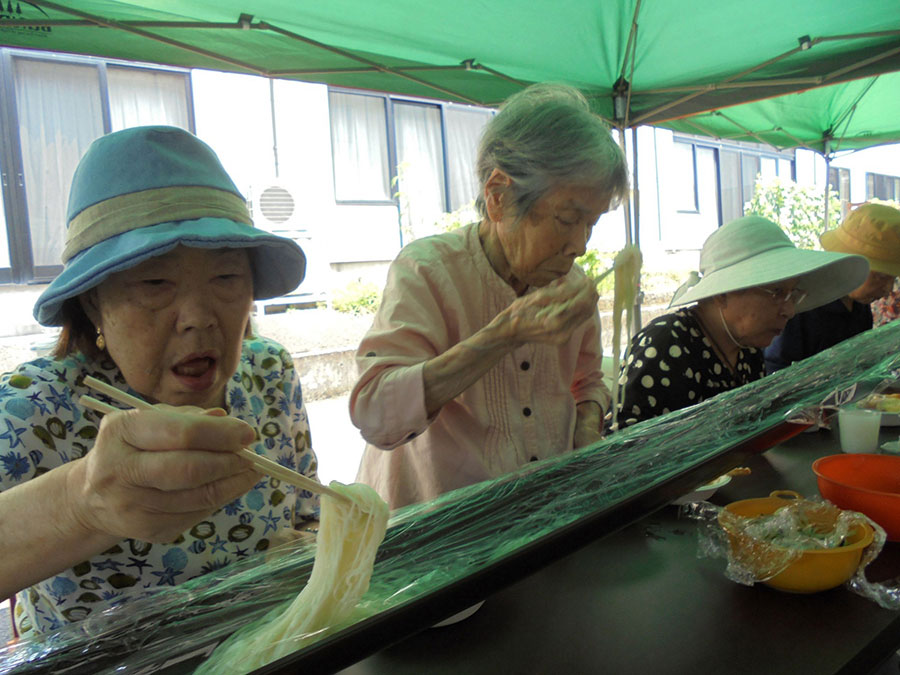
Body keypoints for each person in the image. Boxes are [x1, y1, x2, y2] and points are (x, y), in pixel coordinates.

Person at [0, 126, 321, 637]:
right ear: (92, 303)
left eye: (226, 278)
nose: (198, 317)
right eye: (154, 282)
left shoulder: (268, 377)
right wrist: (81, 501)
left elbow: (309, 517)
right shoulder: (35, 412)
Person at [349, 83, 629, 509]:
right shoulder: (428, 271)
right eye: (568, 219)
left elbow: (586, 381)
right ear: (498, 196)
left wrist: (587, 426)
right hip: (435, 533)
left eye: (591, 223)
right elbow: (374, 415)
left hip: (541, 516)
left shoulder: (569, 286)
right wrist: (504, 333)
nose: (580, 245)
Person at [615, 215, 869, 428]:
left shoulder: (746, 348)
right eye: (777, 292)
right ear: (723, 294)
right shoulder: (666, 345)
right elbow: (624, 447)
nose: (790, 311)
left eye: (793, 294)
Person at [765, 202, 900, 373]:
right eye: (881, 277)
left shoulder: (860, 308)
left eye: (893, 279)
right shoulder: (801, 305)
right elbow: (775, 372)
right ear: (848, 262)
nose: (888, 289)